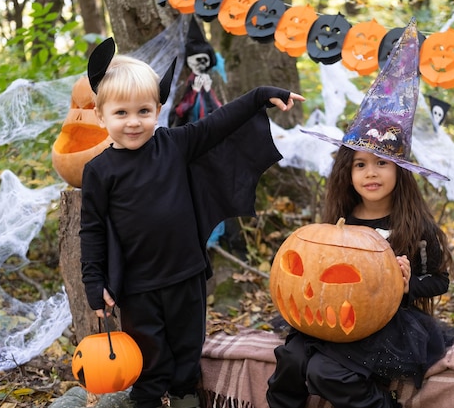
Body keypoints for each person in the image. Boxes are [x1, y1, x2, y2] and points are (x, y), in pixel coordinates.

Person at [79, 37, 304, 408]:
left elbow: (219, 123)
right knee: (149, 359)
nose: (133, 122)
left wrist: (260, 95)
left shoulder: (174, 144)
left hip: (186, 274)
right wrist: (93, 281)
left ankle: (186, 398)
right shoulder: (99, 171)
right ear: (101, 115)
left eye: (143, 111)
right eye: (121, 113)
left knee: (187, 350)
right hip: (137, 286)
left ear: (158, 109)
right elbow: (92, 229)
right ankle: (148, 401)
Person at [266, 18, 454, 408]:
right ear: (348, 173)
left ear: (399, 172)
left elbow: (439, 281)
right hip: (333, 314)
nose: (370, 173)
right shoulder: (341, 220)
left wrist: (408, 284)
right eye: (360, 165)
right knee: (291, 358)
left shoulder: (414, 224)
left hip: (387, 324)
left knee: (325, 372)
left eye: (381, 164)